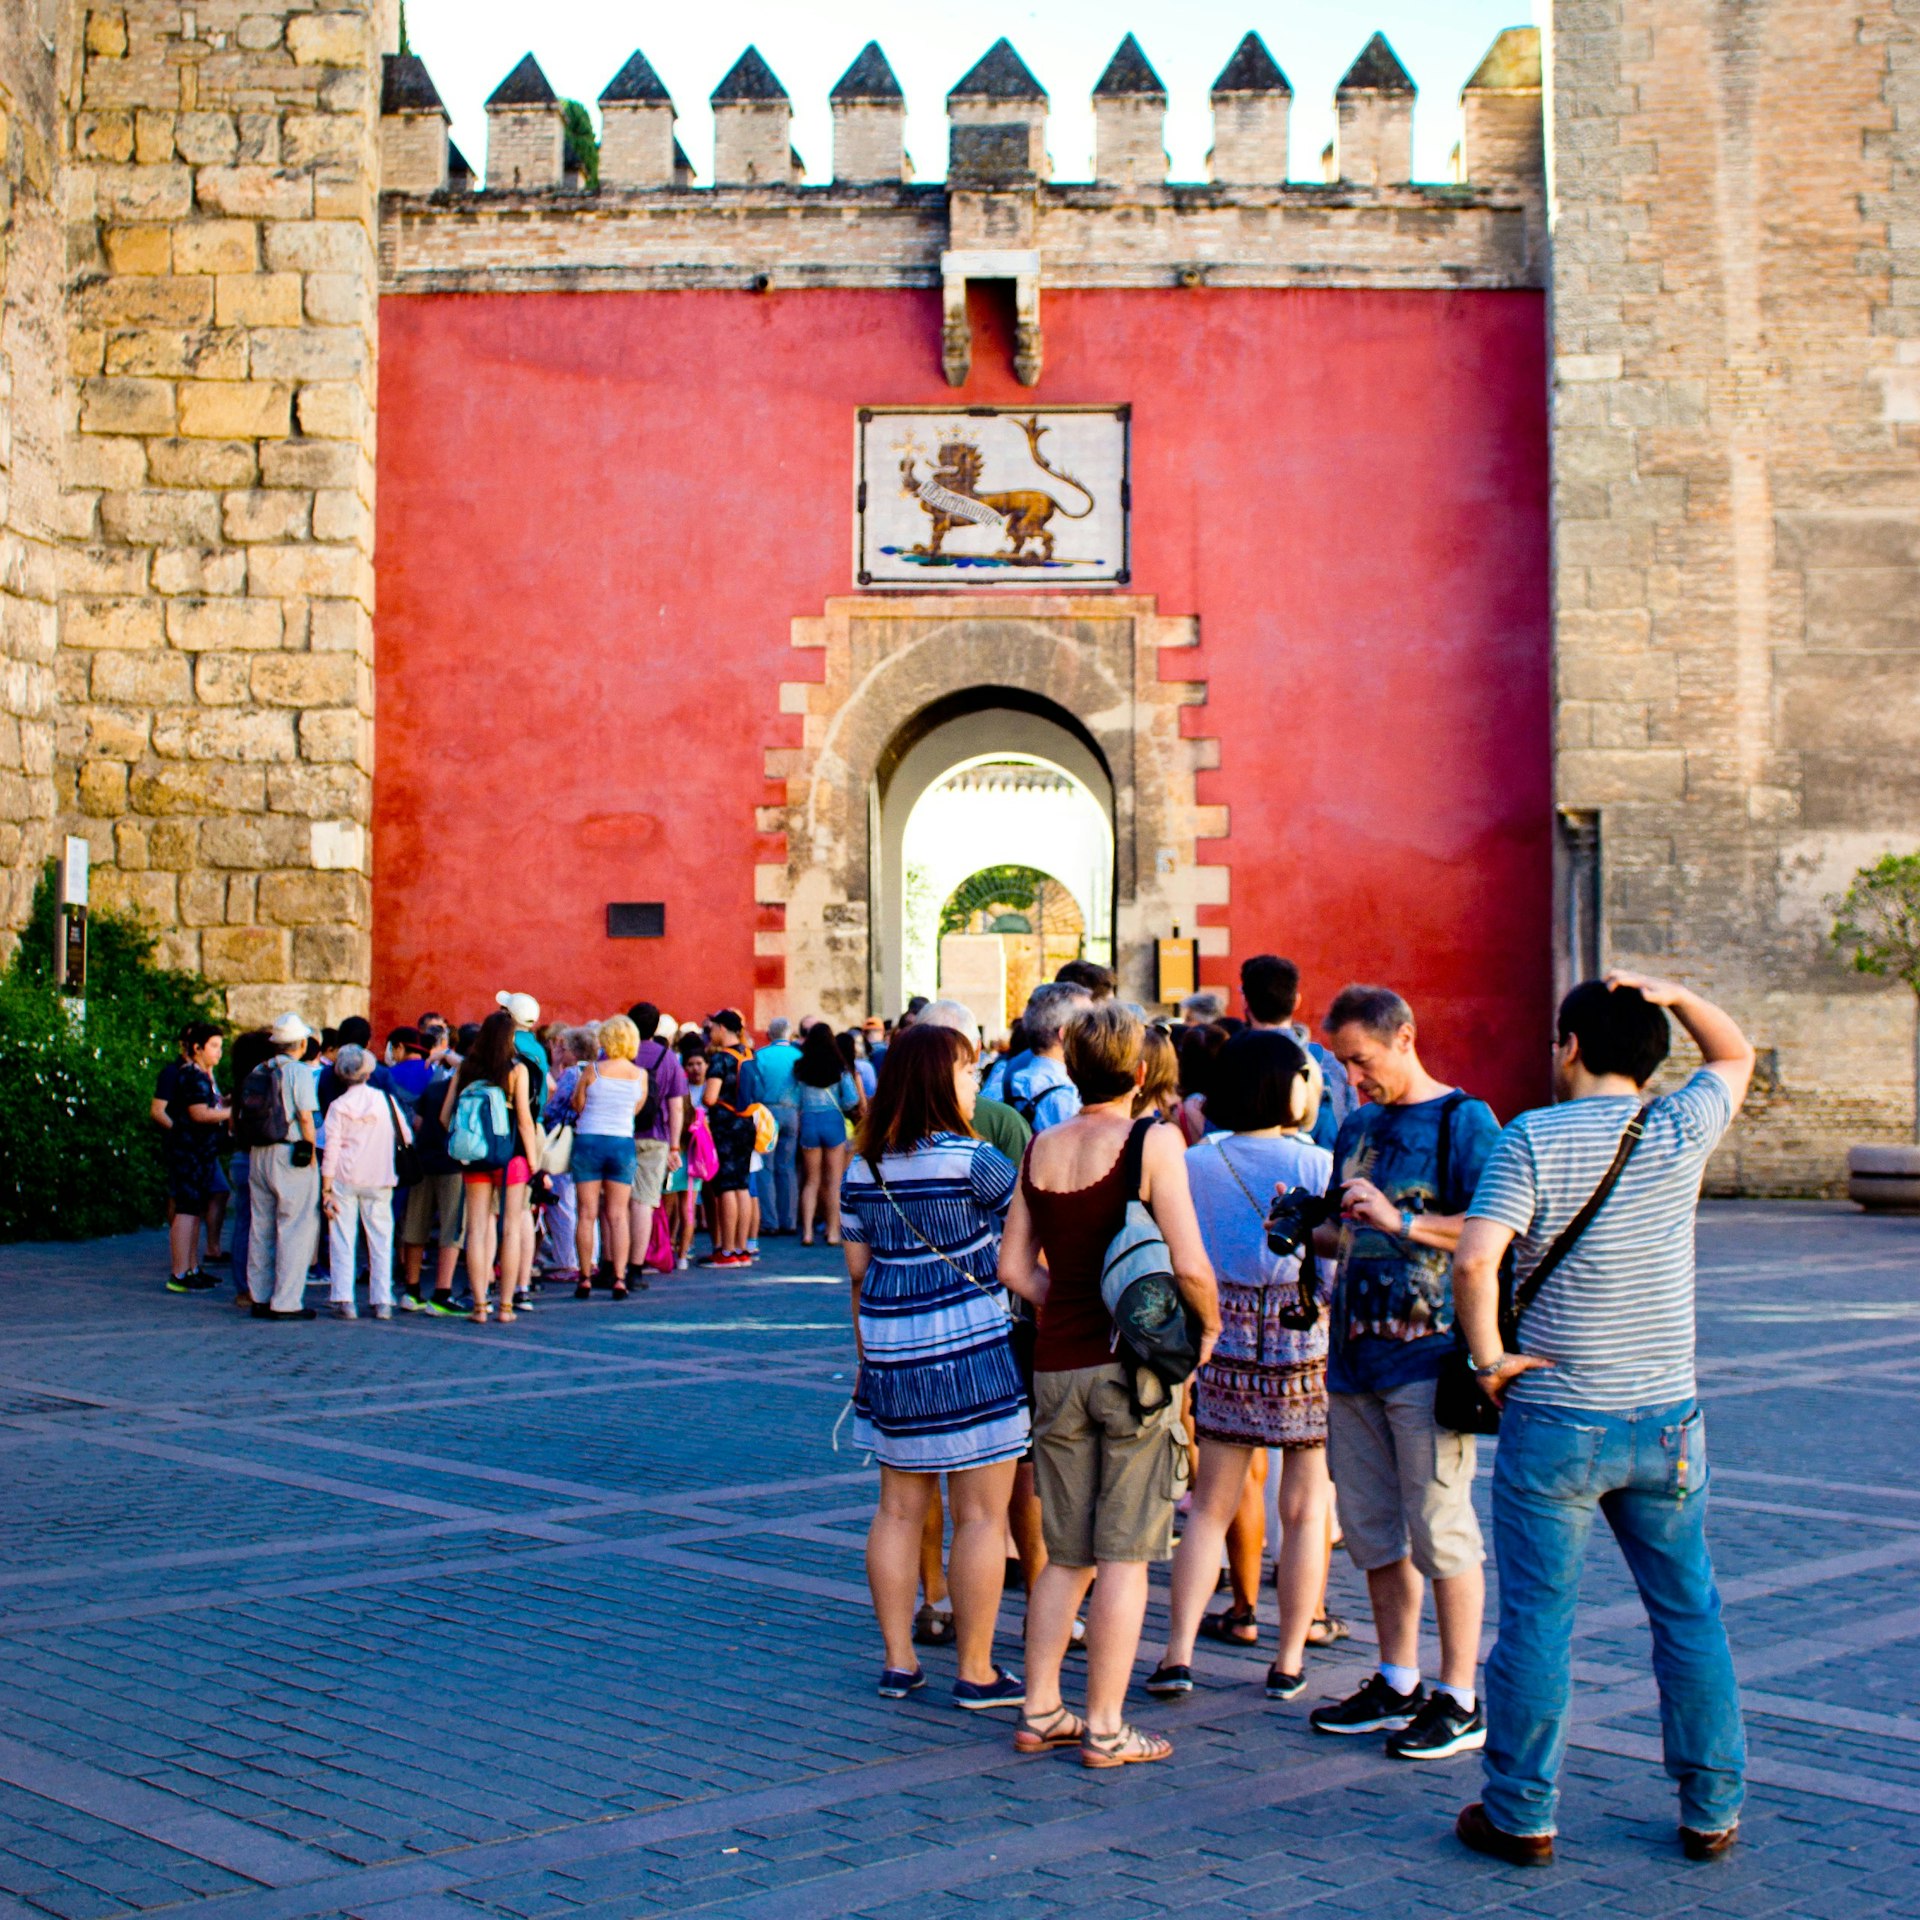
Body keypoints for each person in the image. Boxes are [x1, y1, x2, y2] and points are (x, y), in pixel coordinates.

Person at [1450, 974, 1755, 1869]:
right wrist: (1683, 993)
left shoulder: (1531, 1136)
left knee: (1540, 1621)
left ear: (1570, 1045)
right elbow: (1733, 1052)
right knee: (1689, 1613)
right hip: (1666, 1420)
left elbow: (1476, 1262)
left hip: (1555, 1417)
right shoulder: (1678, 1126)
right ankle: (1711, 1809)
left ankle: (1522, 1814)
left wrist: (1486, 1359)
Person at [998, 1002, 1221, 1769]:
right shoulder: (1152, 1141)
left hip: (1057, 1366)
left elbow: (1011, 1268)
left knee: (1065, 1554)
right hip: (1132, 1369)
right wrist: (1208, 1330)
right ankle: (1103, 1726)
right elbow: (1188, 1262)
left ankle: (1039, 1709)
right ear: (1137, 1073)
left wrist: (1062, 1302)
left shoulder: (1042, 1146)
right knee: (1124, 1554)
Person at [1308, 983, 1499, 1761]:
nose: (1355, 1079)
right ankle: (1397, 1677)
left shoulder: (1464, 1120)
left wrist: (1402, 1220)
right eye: (1346, 1065)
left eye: (1363, 1061)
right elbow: (1339, 1235)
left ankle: (1460, 1696)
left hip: (1430, 1358)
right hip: (1352, 1358)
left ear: (1405, 1037)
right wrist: (1305, 1226)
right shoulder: (1356, 1123)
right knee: (1373, 1531)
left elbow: (1495, 1231)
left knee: (1441, 1530)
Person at [841, 1023, 1028, 1708]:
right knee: (981, 1515)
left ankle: (898, 1660)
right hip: (970, 1345)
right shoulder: (975, 1159)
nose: (974, 1082)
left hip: (891, 1344)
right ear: (941, 1080)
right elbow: (1021, 1243)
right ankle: (976, 1669)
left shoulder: (864, 1166)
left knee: (896, 1510)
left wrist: (868, 1354)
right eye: (967, 1070)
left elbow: (857, 1270)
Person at [1148, 1031, 1337, 1702]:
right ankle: (1288, 1657)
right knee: (1305, 1502)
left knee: (1211, 1506)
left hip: (1221, 1330)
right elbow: (1334, 1258)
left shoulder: (1196, 1162)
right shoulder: (1316, 1164)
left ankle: (1177, 1653)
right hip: (1300, 1333)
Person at [445, 1009, 540, 1323]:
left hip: (475, 1156)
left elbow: (445, 1118)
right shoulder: (516, 1071)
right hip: (510, 1156)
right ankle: (506, 1307)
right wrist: (535, 1162)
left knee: (477, 1229)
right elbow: (525, 1122)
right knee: (511, 1229)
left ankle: (479, 1307)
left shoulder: (466, 1069)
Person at [320, 1043, 410, 1320]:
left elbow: (331, 1147)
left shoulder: (338, 1106)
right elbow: (406, 1137)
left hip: (345, 1177)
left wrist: (326, 1186)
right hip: (380, 1177)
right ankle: (382, 1299)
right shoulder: (387, 1102)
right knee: (381, 1239)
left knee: (343, 1238)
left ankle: (344, 1298)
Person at [245, 1012, 321, 1321]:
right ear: (301, 1043)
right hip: (289, 1152)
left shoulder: (259, 1069)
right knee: (295, 1225)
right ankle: (286, 1300)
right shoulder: (299, 1072)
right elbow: (305, 1116)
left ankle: (259, 1295)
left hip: (259, 1150)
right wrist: (312, 1152)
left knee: (260, 1226)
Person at [568, 1013, 649, 1300]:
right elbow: (635, 1109)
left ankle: (585, 1277)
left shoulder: (593, 1070)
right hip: (621, 1142)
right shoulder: (640, 1075)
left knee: (587, 1214)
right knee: (618, 1215)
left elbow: (577, 1103)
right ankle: (619, 1278)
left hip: (589, 1140)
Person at [1242, 954, 1356, 1151]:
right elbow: (1351, 1131)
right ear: (1296, 1001)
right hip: (1320, 1173)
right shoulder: (1329, 1063)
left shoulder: (1233, 1062)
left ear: (1246, 1002)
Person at [399, 1040, 466, 1315]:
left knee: (415, 1225)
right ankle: (442, 1292)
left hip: (424, 1160)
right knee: (452, 1228)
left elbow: (417, 1122)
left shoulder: (434, 1088)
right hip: (453, 1163)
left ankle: (412, 1290)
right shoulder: (469, 1091)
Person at [161, 1021, 230, 1293]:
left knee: (194, 1211)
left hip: (200, 1152)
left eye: (220, 1046)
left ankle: (191, 1267)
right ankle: (180, 1271)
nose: (218, 1052)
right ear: (197, 1048)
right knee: (186, 1211)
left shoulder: (202, 1075)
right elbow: (198, 1113)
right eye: (214, 1046)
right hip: (189, 1152)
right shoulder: (192, 1076)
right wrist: (230, 1114)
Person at [629, 1002, 689, 1269]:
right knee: (644, 1202)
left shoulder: (619, 1053)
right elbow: (677, 1106)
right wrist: (675, 1146)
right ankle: (636, 1264)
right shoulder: (668, 1058)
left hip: (622, 1133)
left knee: (617, 1203)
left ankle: (613, 1261)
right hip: (656, 1136)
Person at [795, 1019, 860, 1247]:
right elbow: (852, 1099)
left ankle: (808, 1233)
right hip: (833, 1121)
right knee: (834, 1181)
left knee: (811, 1180)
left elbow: (795, 1099)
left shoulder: (801, 1068)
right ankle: (833, 1232)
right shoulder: (839, 1068)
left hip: (809, 1122)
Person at [223, 1027, 273, 1307]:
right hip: (258, 1157)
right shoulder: (262, 1085)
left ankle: (243, 1286)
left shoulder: (240, 1085)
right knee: (261, 1225)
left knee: (243, 1223)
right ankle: (256, 1284)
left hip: (240, 1157)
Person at [1004, 982, 1094, 1133]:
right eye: (1090, 1024)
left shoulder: (1001, 1084)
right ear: (1065, 1034)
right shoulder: (1069, 1100)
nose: (1096, 1033)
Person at [750, 1015, 802, 1235]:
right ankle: (789, 1220)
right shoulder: (799, 1055)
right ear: (788, 1033)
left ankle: (769, 1221)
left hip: (767, 1113)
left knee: (766, 1167)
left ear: (769, 1034)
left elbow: (756, 1088)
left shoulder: (761, 1055)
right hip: (792, 1111)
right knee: (787, 1167)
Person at [668, 1032, 711, 1267]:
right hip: (693, 1161)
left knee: (670, 1209)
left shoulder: (675, 1104)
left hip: (678, 1158)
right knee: (688, 1211)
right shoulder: (697, 1110)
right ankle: (683, 1255)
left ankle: (671, 1247)